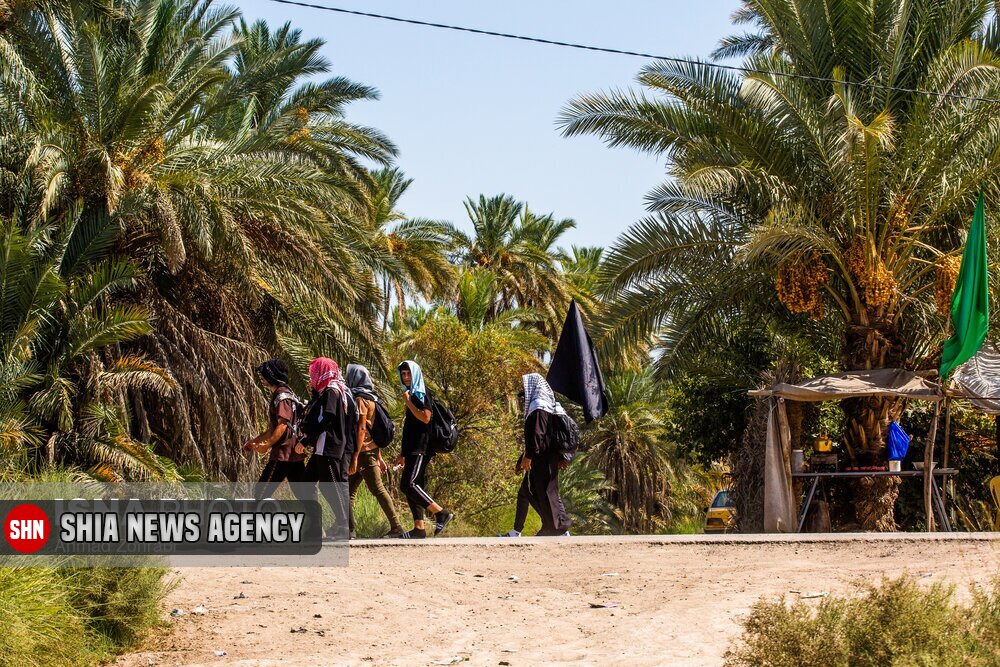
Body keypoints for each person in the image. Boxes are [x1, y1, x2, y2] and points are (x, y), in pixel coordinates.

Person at [394, 360, 453, 539]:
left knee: (408, 484)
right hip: (411, 447)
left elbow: (425, 418)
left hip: (421, 447)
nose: (405, 377)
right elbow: (409, 426)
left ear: (415, 374)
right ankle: (419, 529)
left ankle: (441, 513)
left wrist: (409, 403)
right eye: (403, 374)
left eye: (408, 374)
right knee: (414, 485)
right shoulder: (411, 393)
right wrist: (403, 454)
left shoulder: (421, 392)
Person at [345, 363, 404, 538]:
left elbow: (362, 429)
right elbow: (374, 430)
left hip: (363, 453)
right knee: (347, 490)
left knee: (377, 489)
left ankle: (396, 526)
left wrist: (355, 456)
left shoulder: (360, 399)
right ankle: (345, 527)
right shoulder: (372, 397)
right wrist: (379, 456)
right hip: (368, 451)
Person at [300, 357, 356, 539]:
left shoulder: (332, 391)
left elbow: (329, 418)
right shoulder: (330, 390)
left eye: (314, 372)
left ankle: (344, 526)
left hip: (328, 446)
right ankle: (318, 525)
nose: (312, 377)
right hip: (322, 447)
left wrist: (308, 440)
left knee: (332, 487)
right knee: (307, 482)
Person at [517, 373, 571, 536]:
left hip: (542, 458)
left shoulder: (539, 406)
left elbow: (538, 435)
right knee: (533, 489)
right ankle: (550, 526)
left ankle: (559, 528)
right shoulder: (547, 406)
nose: (524, 396)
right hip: (546, 456)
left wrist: (529, 457)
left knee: (546, 491)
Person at [244, 360, 306, 500]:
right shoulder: (287, 394)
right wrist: (255, 441)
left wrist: (267, 445)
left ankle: (256, 521)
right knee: (305, 496)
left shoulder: (281, 396)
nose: (261, 376)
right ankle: (315, 521)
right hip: (293, 454)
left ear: (271, 375)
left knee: (260, 493)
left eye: (264, 373)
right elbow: (273, 428)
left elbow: (283, 425)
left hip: (283, 454)